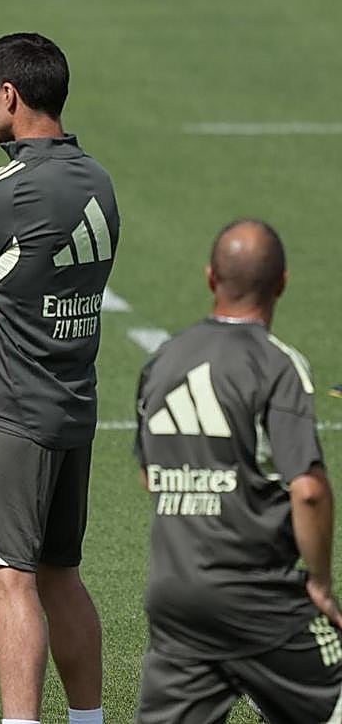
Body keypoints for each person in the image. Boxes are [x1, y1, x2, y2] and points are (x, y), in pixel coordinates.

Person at [0, 33, 117, 724]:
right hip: (73, 407)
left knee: (6, 581)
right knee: (61, 573)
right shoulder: (96, 179)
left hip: (6, 410)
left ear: (9, 94)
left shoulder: (5, 190)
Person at [134, 219, 342, 724]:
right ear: (283, 283)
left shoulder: (163, 360)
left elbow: (149, 474)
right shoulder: (276, 364)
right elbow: (309, 491)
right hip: (261, 599)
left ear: (210, 278)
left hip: (175, 598)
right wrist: (318, 581)